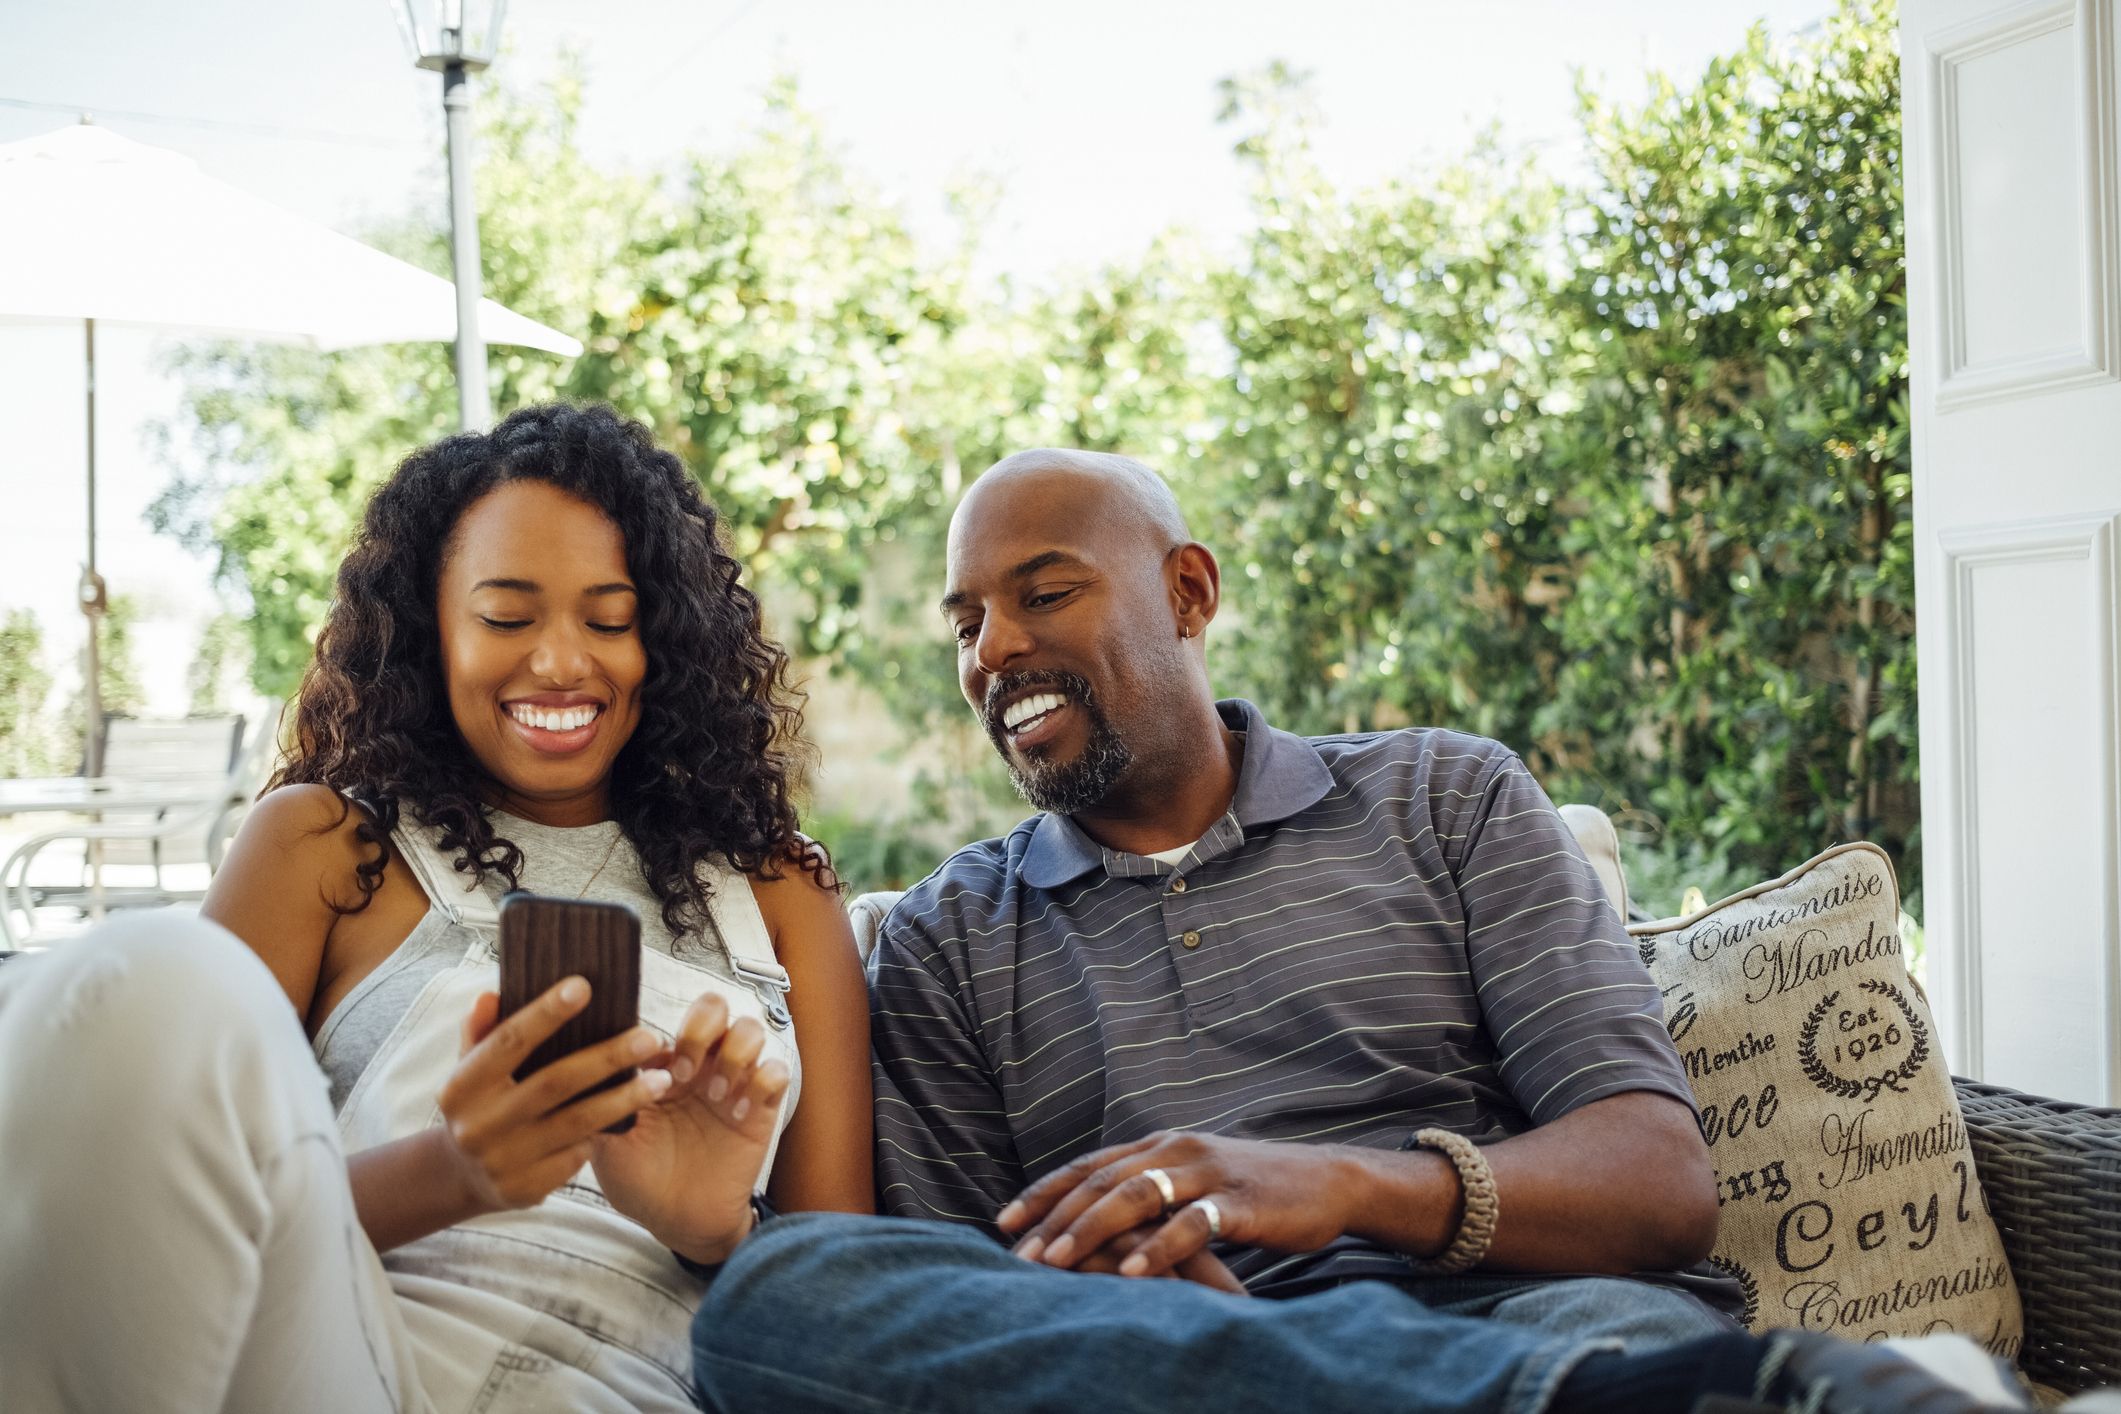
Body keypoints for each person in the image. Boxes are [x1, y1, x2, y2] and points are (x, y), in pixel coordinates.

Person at [685, 448, 2035, 1414]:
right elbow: (969, 1296)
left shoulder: (1445, 797)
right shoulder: (947, 936)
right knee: (783, 1296)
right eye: (967, 620)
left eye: (1044, 593)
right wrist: (1145, 1309)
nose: (993, 649)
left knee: (1615, 1356)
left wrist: (1333, 1182)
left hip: (1532, 1321)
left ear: (1190, 594)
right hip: (1182, 1363)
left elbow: (1658, 1182)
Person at [0, 403, 873, 1414]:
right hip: (346, 1356)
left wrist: (717, 1232)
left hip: (644, 1385)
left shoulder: (777, 890)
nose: (558, 661)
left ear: (666, 641)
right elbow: (157, 1240)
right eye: (507, 617)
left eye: (609, 618)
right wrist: (453, 1171)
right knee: (148, 973)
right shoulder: (327, 845)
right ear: (431, 630)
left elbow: (847, 1321)